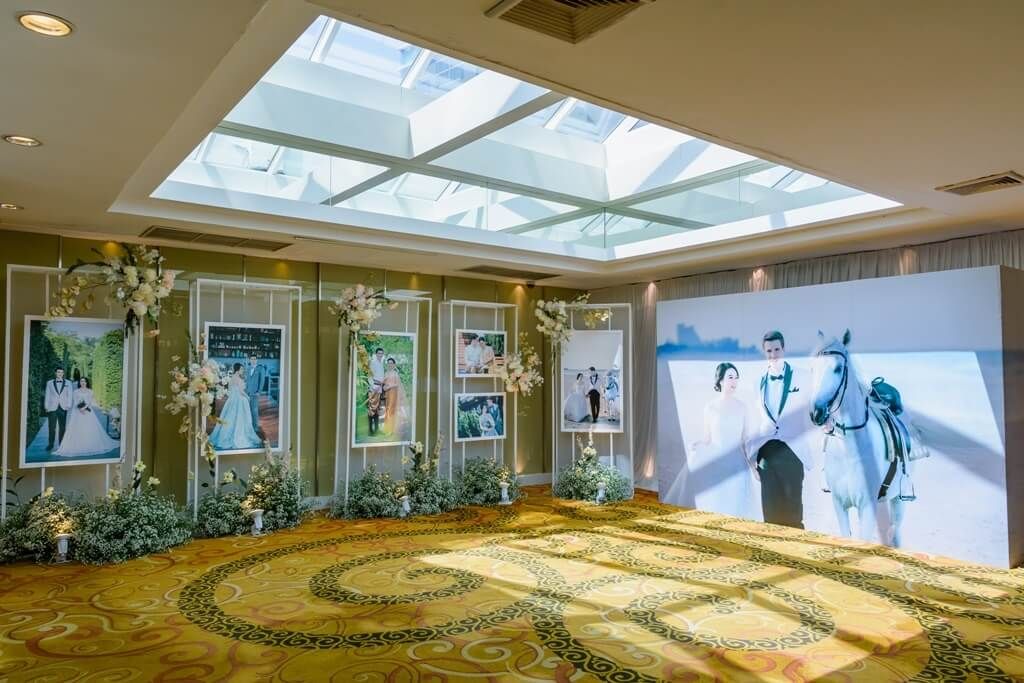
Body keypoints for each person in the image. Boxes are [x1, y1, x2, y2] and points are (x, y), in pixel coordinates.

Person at [752, 330, 811, 528]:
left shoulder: (803, 377)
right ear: (764, 352)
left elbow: (813, 408)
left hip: (792, 451)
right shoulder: (758, 382)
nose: (773, 354)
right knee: (770, 515)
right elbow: (756, 421)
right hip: (766, 454)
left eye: (777, 349)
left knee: (793, 515)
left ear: (784, 349)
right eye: (769, 351)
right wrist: (752, 459)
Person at [687, 363, 757, 519]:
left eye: (736, 378)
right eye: (730, 377)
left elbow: (745, 440)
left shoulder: (742, 407)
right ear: (720, 380)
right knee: (718, 509)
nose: (734, 381)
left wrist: (753, 468)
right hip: (718, 466)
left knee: (738, 510)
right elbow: (707, 438)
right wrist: (697, 444)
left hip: (738, 467)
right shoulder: (710, 407)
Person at [53, 378, 119, 457]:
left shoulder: (90, 391)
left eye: (84, 381)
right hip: (77, 413)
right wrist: (80, 408)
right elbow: (75, 401)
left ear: (87, 382)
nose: (83, 382)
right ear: (79, 383)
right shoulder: (76, 391)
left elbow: (90, 401)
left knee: (89, 427)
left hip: (88, 412)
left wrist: (84, 408)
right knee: (78, 428)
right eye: (81, 381)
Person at [210, 363, 262, 451]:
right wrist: (247, 397)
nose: (243, 370)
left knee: (229, 416)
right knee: (240, 417)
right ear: (237, 370)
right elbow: (241, 391)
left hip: (232, 400)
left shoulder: (232, 378)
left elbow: (230, 390)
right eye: (241, 369)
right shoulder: (237, 378)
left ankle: (225, 434)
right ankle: (239, 434)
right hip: (239, 399)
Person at [44, 367, 73, 450]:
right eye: (58, 372)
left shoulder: (68, 383)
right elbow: (47, 395)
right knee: (51, 427)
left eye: (61, 372)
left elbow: (70, 395)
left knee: (62, 427)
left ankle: (61, 444)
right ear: (55, 373)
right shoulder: (49, 383)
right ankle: (50, 444)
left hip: (63, 407)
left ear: (63, 373)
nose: (60, 374)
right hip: (52, 407)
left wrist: (68, 405)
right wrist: (46, 406)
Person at [244, 354, 268, 436]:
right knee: (248, 410)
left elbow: (262, 381)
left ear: (257, 360)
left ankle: (256, 427)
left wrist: (259, 392)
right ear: (250, 360)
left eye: (254, 359)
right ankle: (249, 426)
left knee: (254, 410)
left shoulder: (261, 368)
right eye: (252, 359)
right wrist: (245, 391)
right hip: (247, 393)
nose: (253, 360)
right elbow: (247, 381)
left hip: (255, 393)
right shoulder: (248, 368)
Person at [382, 357, 404, 437]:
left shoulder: (395, 373)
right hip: (387, 394)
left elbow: (397, 384)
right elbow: (384, 383)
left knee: (391, 410)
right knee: (387, 409)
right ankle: (387, 429)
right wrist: (384, 387)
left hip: (393, 393)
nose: (390, 365)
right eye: (388, 363)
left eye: (391, 363)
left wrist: (389, 386)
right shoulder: (386, 373)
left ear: (394, 364)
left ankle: (391, 430)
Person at [368, 348, 386, 434]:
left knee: (377, 408)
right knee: (372, 408)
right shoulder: (373, 362)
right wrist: (373, 386)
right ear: (376, 354)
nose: (380, 355)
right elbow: (370, 375)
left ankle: (376, 429)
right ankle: (371, 430)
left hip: (379, 388)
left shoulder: (381, 363)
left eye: (381, 353)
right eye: (379, 353)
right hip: (374, 387)